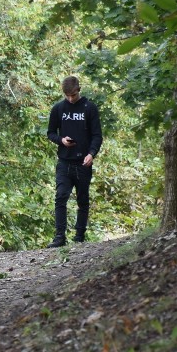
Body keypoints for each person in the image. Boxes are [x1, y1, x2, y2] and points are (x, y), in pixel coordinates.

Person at [46, 76, 103, 247]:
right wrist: (61, 140)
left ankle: (79, 236)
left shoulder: (89, 108)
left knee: (82, 199)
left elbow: (97, 135)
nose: (70, 98)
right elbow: (50, 132)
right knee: (60, 197)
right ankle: (59, 237)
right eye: (67, 95)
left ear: (79, 89)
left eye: (73, 94)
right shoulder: (58, 108)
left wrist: (92, 154)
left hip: (83, 162)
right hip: (64, 161)